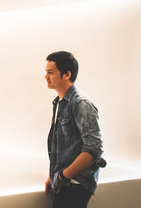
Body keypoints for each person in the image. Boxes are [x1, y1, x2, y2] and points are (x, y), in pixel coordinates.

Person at [44, 51, 104, 208]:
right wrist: (53, 177)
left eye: (50, 72)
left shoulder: (81, 103)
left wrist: (63, 176)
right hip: (66, 184)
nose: (46, 77)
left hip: (75, 185)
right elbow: (66, 147)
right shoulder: (60, 102)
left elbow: (93, 149)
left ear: (66, 74)